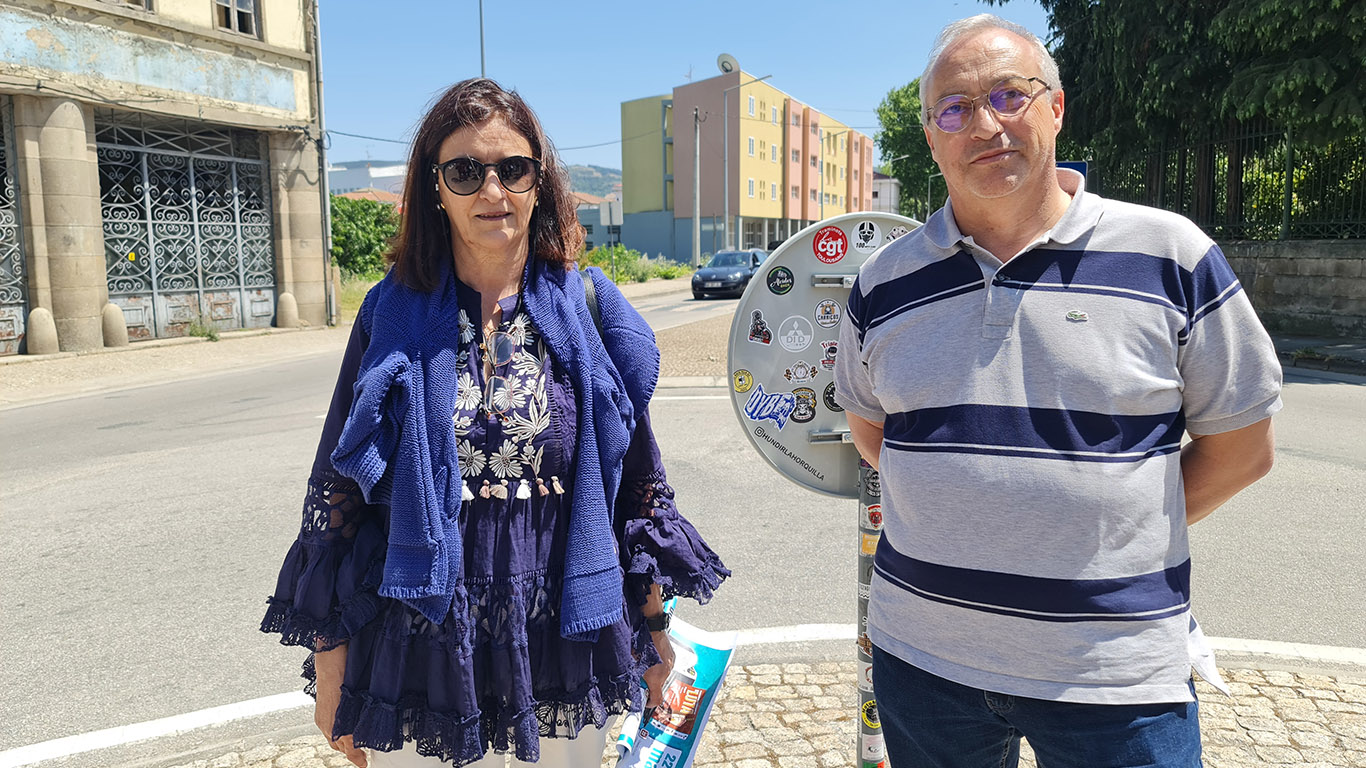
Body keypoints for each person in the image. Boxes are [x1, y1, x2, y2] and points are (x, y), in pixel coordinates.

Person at [834, 14, 1281, 768]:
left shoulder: (1171, 255)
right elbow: (876, 435)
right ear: (932, 134)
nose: (985, 124)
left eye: (1010, 94)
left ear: (1056, 107)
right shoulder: (881, 285)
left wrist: (1123, 526)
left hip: (1116, 676)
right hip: (925, 665)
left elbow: (1243, 447)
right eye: (955, 108)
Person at [261, 78, 729, 768]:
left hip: (564, 630)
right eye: (464, 171)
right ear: (435, 189)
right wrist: (332, 668)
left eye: (513, 169)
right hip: (421, 637)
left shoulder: (589, 308)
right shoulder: (388, 315)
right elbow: (339, 492)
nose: (492, 191)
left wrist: (654, 628)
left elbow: (635, 484)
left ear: (539, 182)